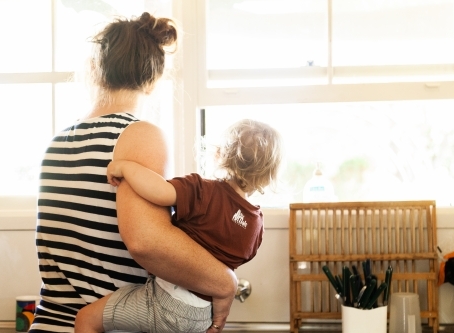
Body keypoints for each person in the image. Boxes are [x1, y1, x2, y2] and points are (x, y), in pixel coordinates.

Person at [31, 12, 238, 333]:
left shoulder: (57, 144)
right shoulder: (139, 134)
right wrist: (225, 281)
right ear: (154, 79)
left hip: (50, 324)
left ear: (96, 69)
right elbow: (145, 241)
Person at [74, 119, 284, 333]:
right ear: (268, 174)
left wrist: (126, 167)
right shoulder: (257, 224)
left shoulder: (203, 190)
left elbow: (159, 191)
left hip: (166, 303)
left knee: (86, 319)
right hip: (204, 315)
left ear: (220, 154)